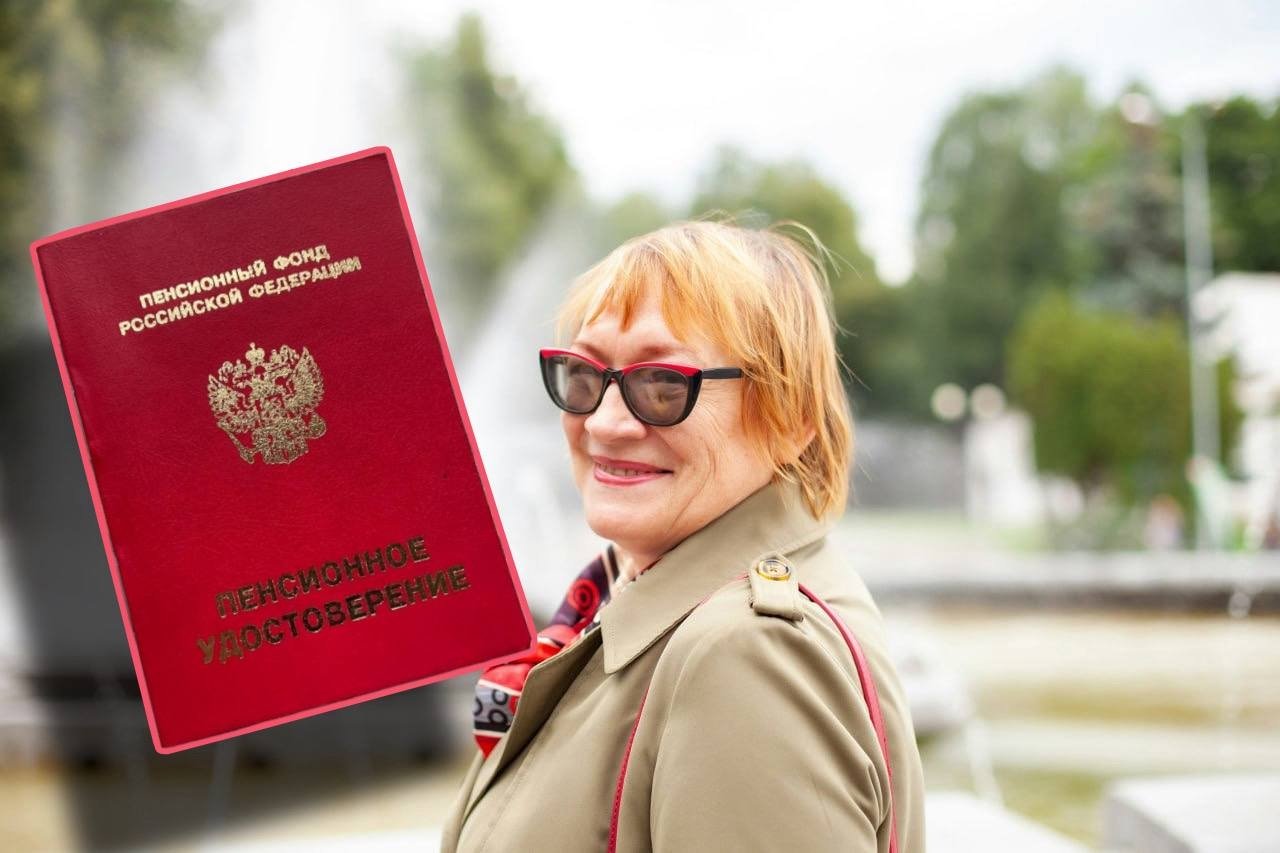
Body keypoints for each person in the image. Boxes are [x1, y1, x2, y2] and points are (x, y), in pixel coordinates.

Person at [439, 218, 926, 852]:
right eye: (585, 375)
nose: (604, 423)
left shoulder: (748, 655)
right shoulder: (631, 602)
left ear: (790, 419)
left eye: (663, 384)